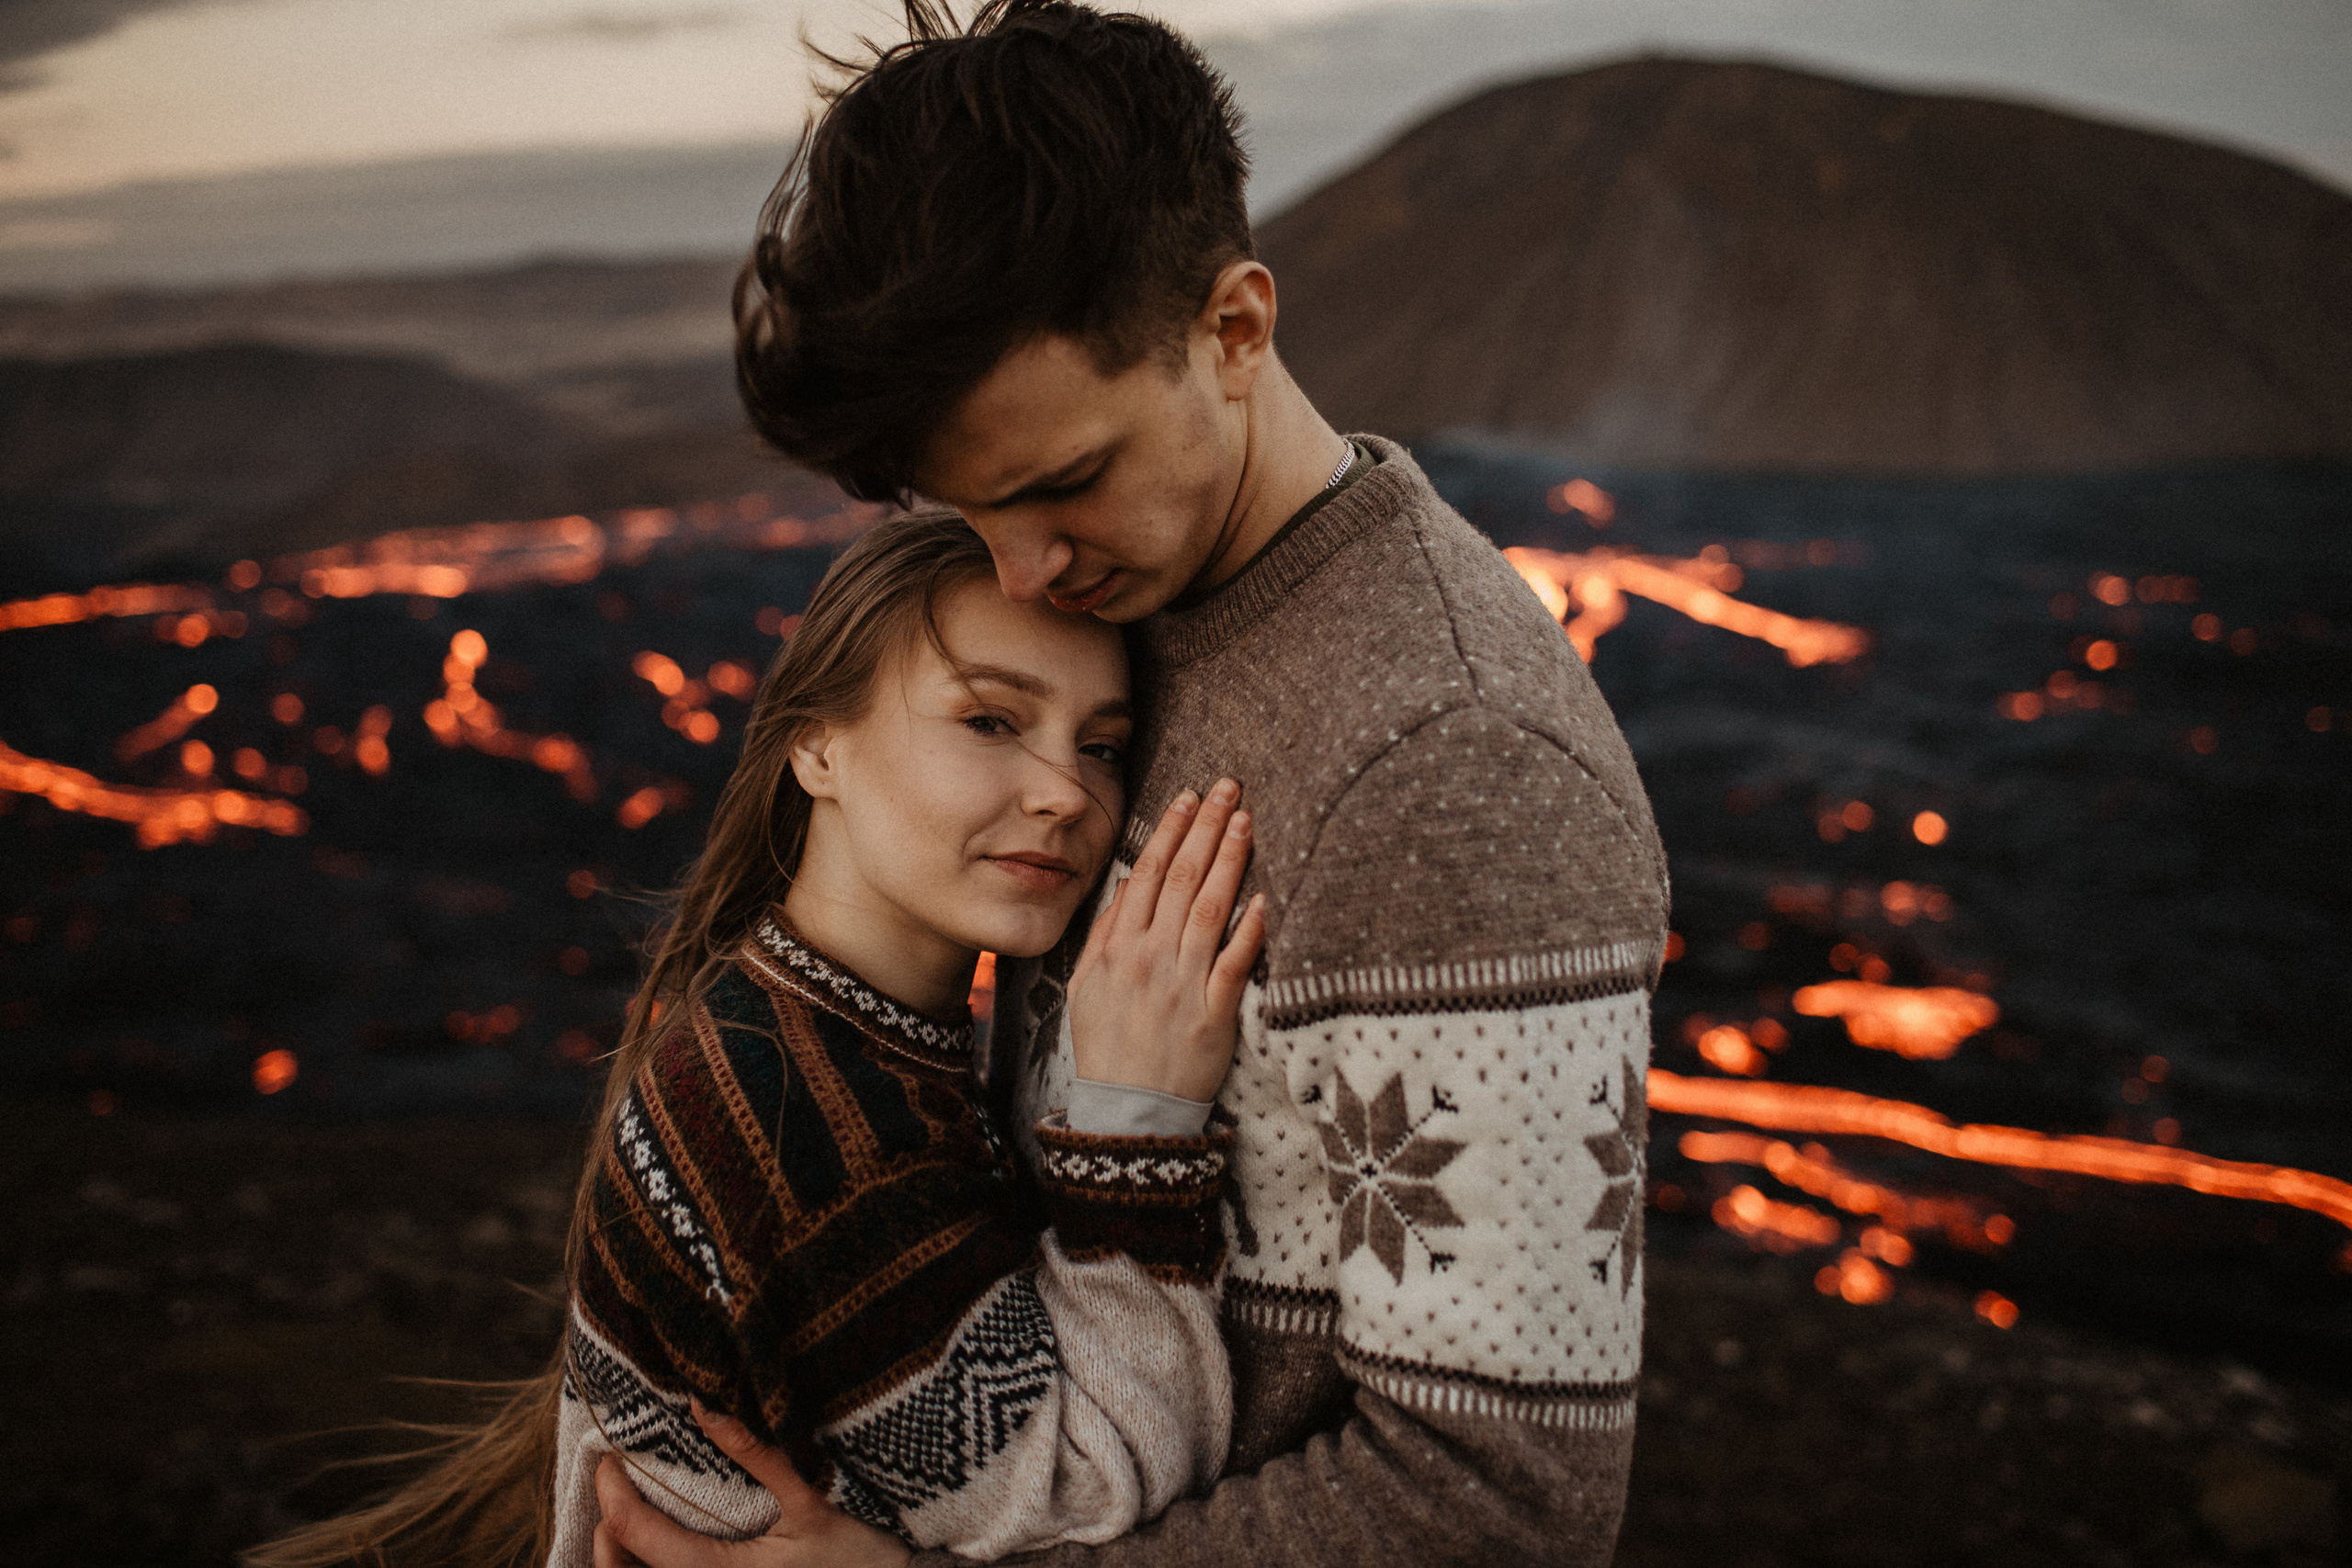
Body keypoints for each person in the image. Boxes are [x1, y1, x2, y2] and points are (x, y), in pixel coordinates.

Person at [594, 2, 1670, 1565]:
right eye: (968, 507)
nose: (1021, 568)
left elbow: (1501, 1504)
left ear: (1234, 331)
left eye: (1062, 482)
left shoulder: (1449, 763)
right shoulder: (1130, 612)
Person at [245, 511, 1271, 1567]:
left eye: (1100, 746)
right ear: (817, 744)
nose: (1067, 792)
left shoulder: (802, 1032)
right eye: (990, 722)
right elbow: (1103, 1488)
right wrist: (1133, 1124)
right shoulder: (800, 1115)